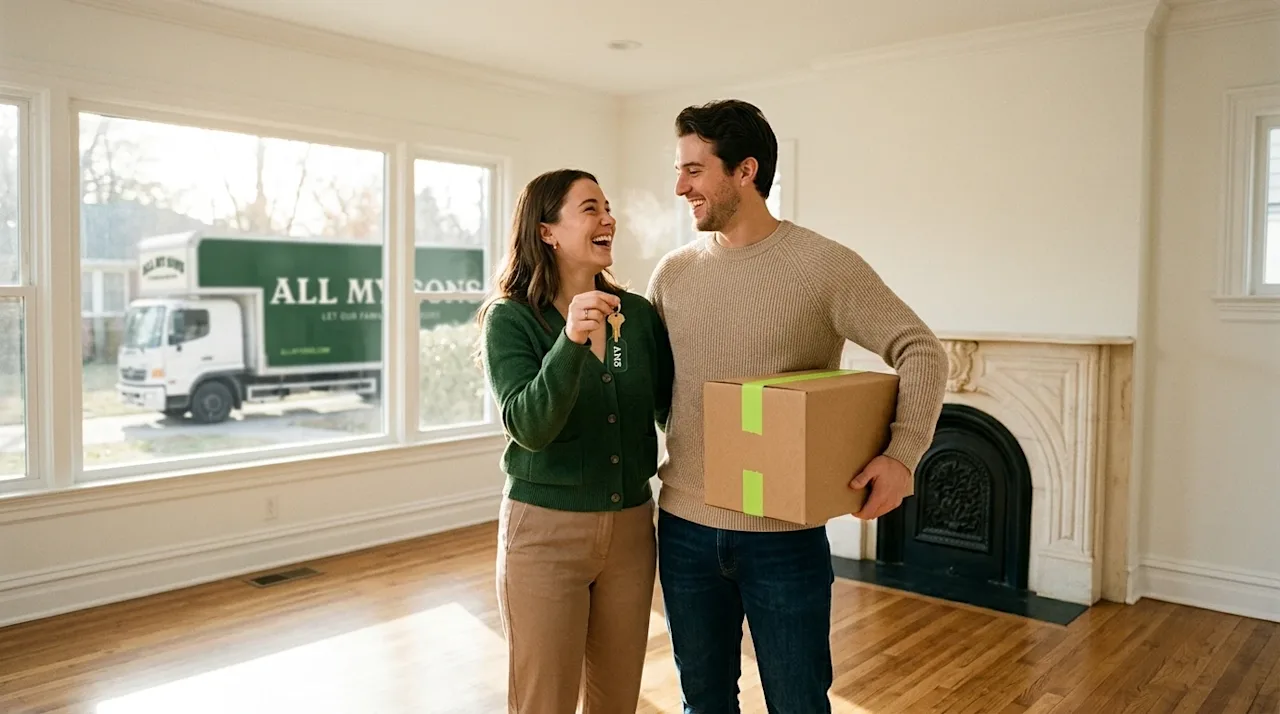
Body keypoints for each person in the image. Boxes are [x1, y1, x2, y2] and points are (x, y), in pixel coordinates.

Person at [646, 99, 949, 713]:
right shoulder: (671, 275)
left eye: (694, 170)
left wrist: (902, 455)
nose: (680, 187)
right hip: (684, 529)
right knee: (701, 701)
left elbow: (921, 349)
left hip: (783, 538)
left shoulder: (824, 265)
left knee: (798, 702)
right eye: (678, 171)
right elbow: (659, 393)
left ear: (745, 171)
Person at [478, 168, 674, 713]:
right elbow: (528, 425)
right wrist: (570, 341)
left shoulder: (633, 316)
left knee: (617, 701)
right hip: (544, 535)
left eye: (608, 206)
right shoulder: (511, 320)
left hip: (633, 533)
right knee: (545, 701)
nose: (608, 217)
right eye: (590, 208)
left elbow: (670, 409)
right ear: (547, 231)